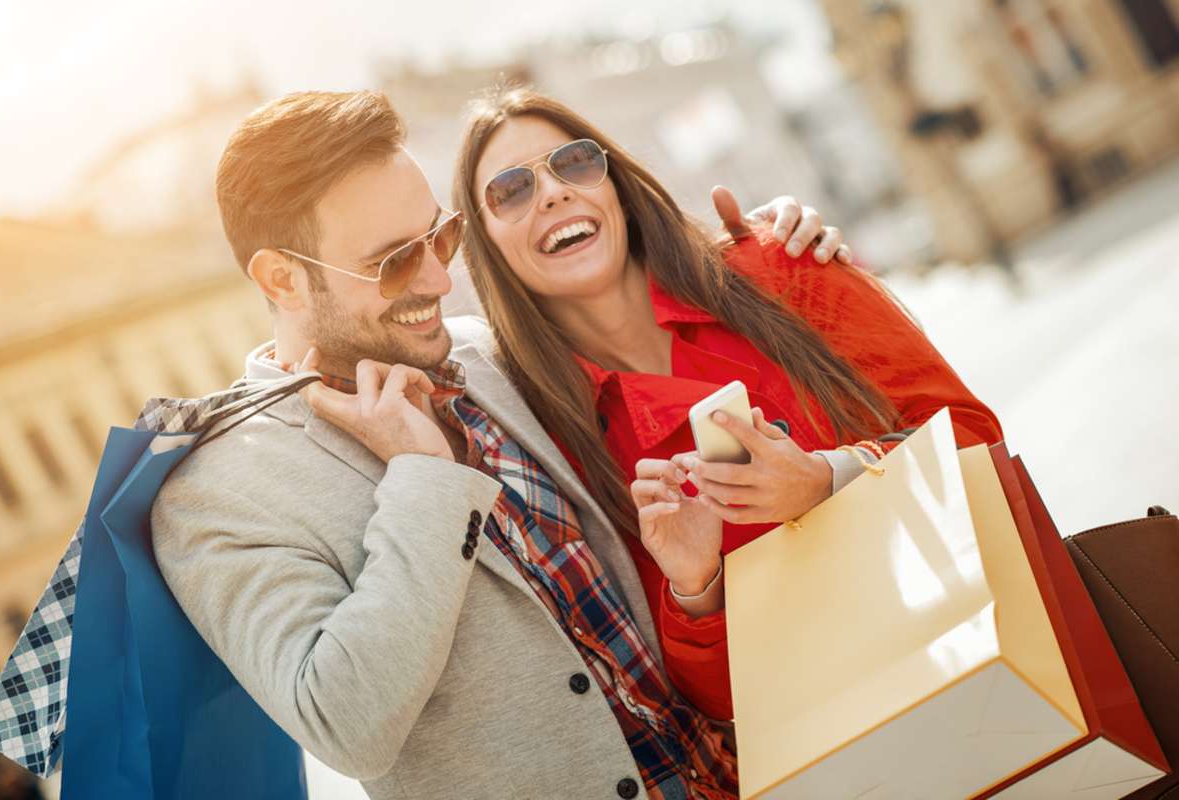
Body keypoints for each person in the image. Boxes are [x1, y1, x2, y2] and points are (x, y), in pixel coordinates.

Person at [150, 89, 851, 800]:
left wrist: (774, 251)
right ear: (282, 279)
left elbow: (641, 312)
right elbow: (346, 725)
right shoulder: (217, 492)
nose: (437, 278)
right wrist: (423, 477)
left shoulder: (488, 355)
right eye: (394, 261)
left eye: (440, 237)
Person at [452, 86, 1004, 723]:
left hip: (988, 651)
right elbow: (716, 709)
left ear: (616, 185)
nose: (551, 192)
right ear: (487, 247)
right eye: (511, 190)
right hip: (838, 739)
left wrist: (830, 479)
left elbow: (978, 440)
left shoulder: (781, 267)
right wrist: (695, 587)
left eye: (574, 162)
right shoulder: (558, 446)